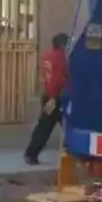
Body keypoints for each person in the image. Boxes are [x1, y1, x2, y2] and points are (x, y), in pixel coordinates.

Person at [23, 32, 70, 165]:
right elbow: (57, 79)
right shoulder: (61, 58)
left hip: (48, 96)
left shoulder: (46, 56)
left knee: (44, 125)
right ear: (62, 44)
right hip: (57, 98)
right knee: (67, 125)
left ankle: (31, 153)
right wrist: (55, 97)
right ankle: (74, 155)